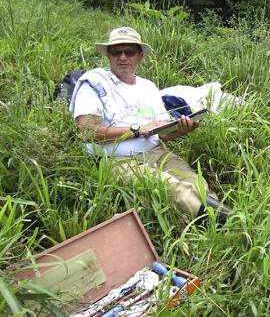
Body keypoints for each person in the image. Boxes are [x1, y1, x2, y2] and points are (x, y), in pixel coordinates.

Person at [69, 26, 229, 224]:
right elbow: (88, 131)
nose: (123, 57)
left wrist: (182, 129)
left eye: (130, 52)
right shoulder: (94, 83)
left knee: (195, 182)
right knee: (171, 186)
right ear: (108, 56)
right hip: (117, 158)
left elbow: (161, 134)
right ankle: (225, 224)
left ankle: (218, 220)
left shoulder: (148, 87)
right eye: (116, 52)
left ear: (140, 56)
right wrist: (136, 130)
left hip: (156, 152)